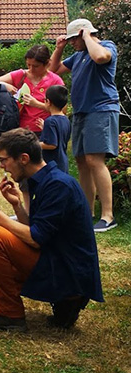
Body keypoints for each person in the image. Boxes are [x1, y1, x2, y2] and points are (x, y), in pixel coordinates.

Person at [0, 129, 103, 330]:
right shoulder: (48, 181)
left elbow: (36, 239)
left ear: (23, 158)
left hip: (68, 271)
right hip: (55, 259)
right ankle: (64, 303)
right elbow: (37, 228)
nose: (1, 165)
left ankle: (9, 314)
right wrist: (16, 206)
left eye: (4, 160)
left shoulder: (59, 185)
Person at [50, 18, 120, 232]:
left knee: (94, 159)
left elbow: (99, 57)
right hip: (81, 112)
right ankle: (86, 212)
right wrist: (59, 49)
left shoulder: (106, 47)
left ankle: (108, 216)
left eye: (73, 39)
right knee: (81, 161)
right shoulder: (78, 55)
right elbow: (53, 71)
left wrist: (87, 36)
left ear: (83, 35)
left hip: (101, 109)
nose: (72, 43)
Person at [0, 44, 63, 135]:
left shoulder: (55, 81)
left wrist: (37, 104)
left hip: (44, 130)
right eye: (28, 65)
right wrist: (6, 86)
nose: (31, 69)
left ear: (47, 63)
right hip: (20, 129)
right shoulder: (21, 75)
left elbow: (62, 112)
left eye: (35, 66)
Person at [38, 85, 71, 174]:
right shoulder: (65, 119)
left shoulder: (50, 121)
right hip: (62, 162)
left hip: (52, 164)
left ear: (48, 102)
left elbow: (51, 144)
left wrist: (34, 144)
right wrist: (45, 129)